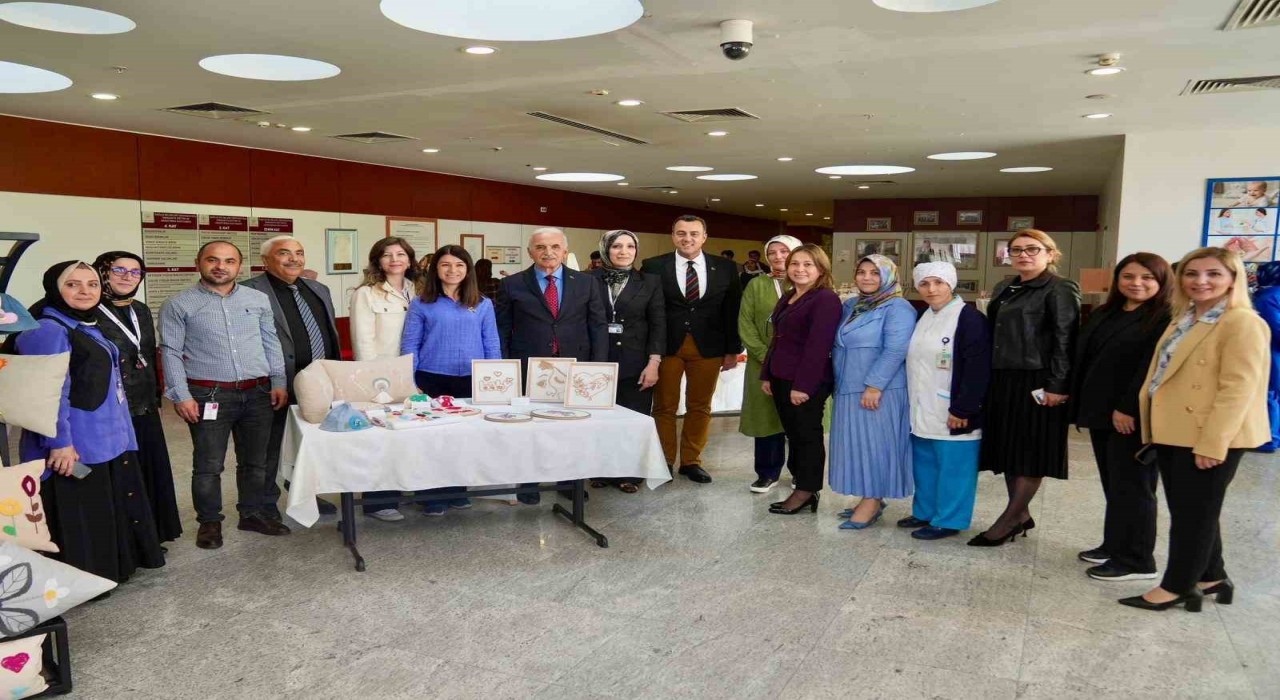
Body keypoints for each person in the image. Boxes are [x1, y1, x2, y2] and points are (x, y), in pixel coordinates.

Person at [1121, 247, 1269, 612]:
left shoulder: (1242, 322)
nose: (1201, 281)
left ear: (1233, 279)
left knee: (1192, 516)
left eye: (1214, 274)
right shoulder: (1185, 317)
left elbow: (1238, 389)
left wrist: (1213, 443)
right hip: (1175, 430)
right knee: (1195, 509)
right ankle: (1212, 576)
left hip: (1207, 433)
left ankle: (1178, 586)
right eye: (1192, 273)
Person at [17, 261, 165, 582]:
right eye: (73, 284)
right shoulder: (47, 330)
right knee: (81, 511)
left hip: (103, 436)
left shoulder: (85, 323)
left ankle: (111, 568)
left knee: (104, 506)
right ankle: (86, 578)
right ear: (55, 288)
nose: (85, 291)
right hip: (75, 444)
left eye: (92, 284)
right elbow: (47, 394)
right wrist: (60, 444)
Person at [160, 240, 290, 549]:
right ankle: (209, 522)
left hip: (258, 392)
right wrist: (181, 395)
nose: (221, 266)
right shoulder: (179, 304)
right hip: (208, 395)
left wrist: (279, 380)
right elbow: (171, 352)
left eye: (229, 261)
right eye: (213, 260)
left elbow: (270, 342)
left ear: (239, 266)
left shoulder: (257, 299)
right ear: (199, 263)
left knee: (255, 462)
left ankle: (252, 513)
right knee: (208, 465)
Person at [971, 230, 1080, 547]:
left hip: (1038, 380)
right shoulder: (1007, 286)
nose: (1023, 255)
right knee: (1010, 451)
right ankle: (1021, 514)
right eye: (1016, 250)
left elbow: (1065, 339)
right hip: (1004, 379)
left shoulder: (1060, 288)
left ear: (1050, 253)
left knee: (1032, 452)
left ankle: (1008, 519)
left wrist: (1058, 384)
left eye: (1033, 249)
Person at [1070, 253, 1173, 580]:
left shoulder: (1164, 317)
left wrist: (1128, 407)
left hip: (1131, 415)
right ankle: (1114, 544)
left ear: (1162, 281)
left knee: (1135, 487)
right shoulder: (1107, 311)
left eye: (1147, 278)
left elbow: (1151, 368)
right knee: (1114, 484)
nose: (1137, 283)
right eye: (1128, 276)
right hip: (1102, 412)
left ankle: (1137, 560)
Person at [497, 228, 607, 504]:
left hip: (575, 366)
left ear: (565, 251)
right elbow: (503, 329)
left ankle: (569, 481)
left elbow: (597, 325)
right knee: (528, 427)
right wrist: (506, 368)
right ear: (530, 252)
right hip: (528, 366)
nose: (548, 252)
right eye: (541, 247)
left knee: (572, 429)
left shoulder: (586, 283)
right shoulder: (512, 284)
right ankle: (528, 484)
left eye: (555, 247)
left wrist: (598, 367)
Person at [243, 236, 343, 521]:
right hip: (274, 383)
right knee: (269, 445)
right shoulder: (249, 291)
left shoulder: (318, 289)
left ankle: (303, 495)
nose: (293, 259)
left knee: (308, 443)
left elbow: (330, 333)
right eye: (284, 253)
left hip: (317, 383)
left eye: (299, 253)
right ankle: (264, 504)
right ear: (266, 260)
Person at [399, 245, 502, 514]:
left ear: (468, 270)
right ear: (436, 270)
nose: (452, 270)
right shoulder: (421, 303)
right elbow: (410, 344)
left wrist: (494, 380)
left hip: (470, 380)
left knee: (464, 440)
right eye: (445, 265)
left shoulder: (482, 303)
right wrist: (410, 381)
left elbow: (491, 343)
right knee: (432, 441)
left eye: (459, 265)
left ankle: (457, 490)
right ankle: (431, 494)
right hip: (431, 379)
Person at [90, 251, 183, 544]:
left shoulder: (140, 309)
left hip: (143, 403)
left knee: (146, 468)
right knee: (121, 473)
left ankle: (150, 535)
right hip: (110, 407)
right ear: (102, 272)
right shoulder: (88, 310)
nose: (127, 277)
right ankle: (126, 541)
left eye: (135, 272)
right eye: (119, 269)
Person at [642, 216, 743, 484]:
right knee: (664, 406)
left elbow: (732, 310)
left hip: (709, 347)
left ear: (704, 237)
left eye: (694, 234)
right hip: (667, 346)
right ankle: (663, 460)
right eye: (681, 233)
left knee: (700, 406)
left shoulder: (726, 268)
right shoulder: (653, 266)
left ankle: (691, 461)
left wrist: (733, 349)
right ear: (673, 235)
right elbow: (649, 310)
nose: (688, 239)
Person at [899, 262, 991, 540]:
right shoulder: (922, 315)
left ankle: (949, 519)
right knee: (925, 463)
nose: (931, 289)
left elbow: (978, 368)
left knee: (954, 467)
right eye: (925, 284)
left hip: (954, 409)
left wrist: (963, 407)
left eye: (938, 282)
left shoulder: (969, 318)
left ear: (951, 284)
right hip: (921, 406)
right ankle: (925, 511)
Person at [829, 254, 915, 528]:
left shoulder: (898, 307)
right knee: (858, 447)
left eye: (874, 273)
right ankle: (870, 495)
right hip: (848, 386)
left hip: (878, 390)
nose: (866, 277)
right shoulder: (853, 305)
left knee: (877, 447)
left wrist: (874, 385)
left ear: (888, 277)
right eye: (862, 271)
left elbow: (896, 350)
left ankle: (872, 500)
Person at [760, 245, 841, 514]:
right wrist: (767, 374)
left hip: (806, 381)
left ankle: (807, 489)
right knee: (794, 435)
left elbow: (818, 346)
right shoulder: (790, 296)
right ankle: (802, 487)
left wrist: (803, 386)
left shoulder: (825, 299)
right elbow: (777, 338)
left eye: (808, 264)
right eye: (795, 264)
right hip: (782, 376)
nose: (800, 269)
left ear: (821, 269)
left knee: (807, 436)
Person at [588, 230, 665, 493]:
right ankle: (600, 470)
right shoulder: (588, 280)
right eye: (617, 246)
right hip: (596, 362)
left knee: (632, 420)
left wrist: (654, 363)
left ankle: (629, 473)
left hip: (636, 362)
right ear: (605, 250)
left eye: (630, 246)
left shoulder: (650, 281)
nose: (624, 251)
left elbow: (658, 324)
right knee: (599, 421)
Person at [349, 237, 418, 521]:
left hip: (413, 372)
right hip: (381, 377)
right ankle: (378, 502)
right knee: (382, 438)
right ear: (377, 260)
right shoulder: (366, 293)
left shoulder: (418, 289)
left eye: (400, 254)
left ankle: (405, 489)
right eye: (387, 255)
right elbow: (362, 341)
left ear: (410, 259)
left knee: (410, 436)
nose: (394, 260)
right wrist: (371, 380)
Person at [738, 235, 802, 494]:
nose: (777, 257)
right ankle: (767, 473)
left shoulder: (808, 284)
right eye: (772, 252)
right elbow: (746, 323)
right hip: (760, 363)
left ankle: (801, 472)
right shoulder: (756, 285)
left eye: (784, 251)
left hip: (798, 365)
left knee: (799, 419)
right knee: (764, 417)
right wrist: (766, 356)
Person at [1255, 261, 1280, 453]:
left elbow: (1274, 328)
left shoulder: (1267, 297)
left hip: (1271, 351)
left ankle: (1269, 438)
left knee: (1268, 393)